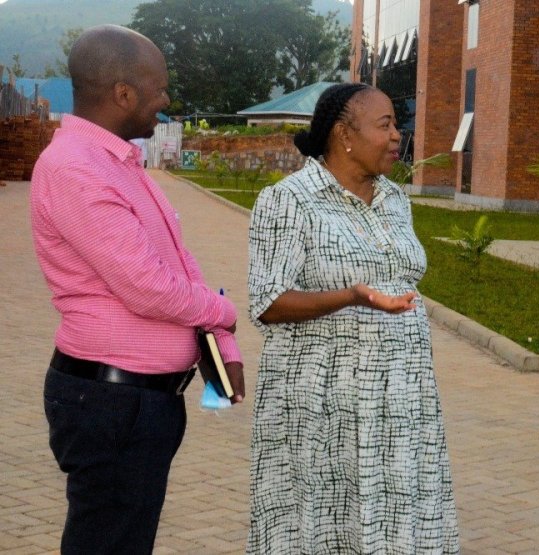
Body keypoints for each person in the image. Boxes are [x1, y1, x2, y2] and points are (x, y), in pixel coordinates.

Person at [30, 25, 245, 554]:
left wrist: (222, 343)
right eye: (160, 88)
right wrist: (224, 311)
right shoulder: (75, 167)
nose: (166, 100)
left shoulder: (120, 163)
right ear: (123, 93)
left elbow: (180, 265)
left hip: (138, 403)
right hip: (112, 403)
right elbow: (147, 287)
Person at [246, 83, 459, 553]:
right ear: (344, 134)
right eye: (385, 125)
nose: (397, 135)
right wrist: (351, 297)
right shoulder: (290, 200)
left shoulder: (395, 199)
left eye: (396, 125)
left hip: (403, 394)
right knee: (328, 518)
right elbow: (267, 301)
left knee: (397, 512)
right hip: (326, 398)